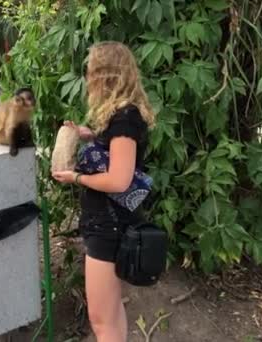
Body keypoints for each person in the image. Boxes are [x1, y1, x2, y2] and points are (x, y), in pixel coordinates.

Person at [52, 41, 156, 342]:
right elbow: (117, 150)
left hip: (109, 226)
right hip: (110, 221)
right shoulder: (122, 116)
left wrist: (75, 177)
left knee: (101, 320)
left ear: (105, 76)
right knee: (111, 313)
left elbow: (118, 181)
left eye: (91, 72)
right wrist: (90, 134)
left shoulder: (124, 119)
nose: (87, 79)